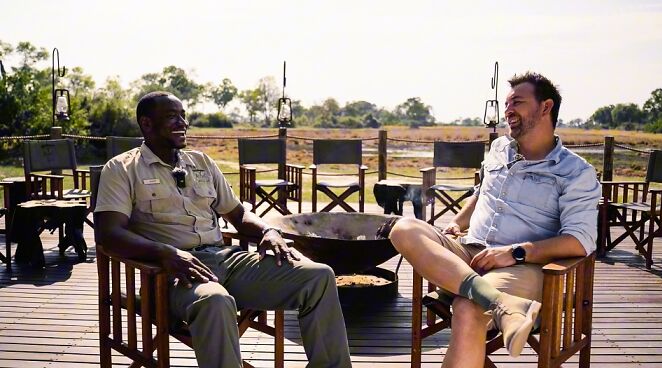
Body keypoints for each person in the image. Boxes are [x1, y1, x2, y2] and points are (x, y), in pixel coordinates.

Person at [95, 91, 352, 368]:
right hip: (170, 274)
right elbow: (109, 233)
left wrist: (268, 231)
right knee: (215, 300)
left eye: (183, 115)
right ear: (146, 124)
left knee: (319, 277)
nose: (182, 122)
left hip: (227, 260)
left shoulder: (202, 163)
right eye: (172, 117)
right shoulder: (122, 169)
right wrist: (165, 253)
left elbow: (239, 215)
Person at [385, 72, 600, 367]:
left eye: (517, 103)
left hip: (526, 266)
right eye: (506, 103)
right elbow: (481, 193)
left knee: (469, 308)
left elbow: (580, 241)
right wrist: (458, 224)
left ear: (546, 107)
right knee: (404, 228)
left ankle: (488, 298)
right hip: (470, 253)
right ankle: (501, 304)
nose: (508, 110)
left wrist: (515, 252)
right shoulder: (499, 148)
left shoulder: (575, 173)